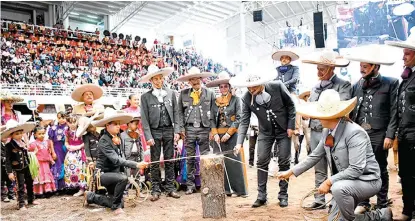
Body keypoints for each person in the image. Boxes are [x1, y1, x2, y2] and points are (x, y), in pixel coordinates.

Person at [277, 89, 393, 221]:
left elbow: (356, 169)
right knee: (334, 219)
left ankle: (374, 217)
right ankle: (382, 216)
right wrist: (291, 172)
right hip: (346, 182)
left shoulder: (355, 133)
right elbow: (314, 156)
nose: (317, 117)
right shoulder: (327, 131)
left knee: (338, 189)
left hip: (367, 181)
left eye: (320, 114)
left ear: (329, 116)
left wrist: (329, 181)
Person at [345, 44, 399, 213]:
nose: (362, 69)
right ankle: (364, 202)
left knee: (380, 167)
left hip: (380, 134)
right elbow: (351, 112)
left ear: (376, 66)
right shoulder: (356, 85)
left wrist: (390, 135)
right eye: (360, 66)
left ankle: (382, 203)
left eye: (365, 66)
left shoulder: (391, 83)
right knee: (360, 167)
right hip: (360, 133)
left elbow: (394, 111)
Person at [230, 70, 296, 208]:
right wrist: (239, 143)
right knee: (261, 161)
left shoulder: (277, 86)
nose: (251, 89)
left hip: (284, 130)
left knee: (284, 161)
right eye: (249, 87)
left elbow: (291, 106)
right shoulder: (246, 98)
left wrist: (291, 126)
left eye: (254, 86)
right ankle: (261, 196)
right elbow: (244, 121)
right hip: (265, 132)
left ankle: (283, 195)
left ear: (262, 83)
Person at [301, 50, 352, 209]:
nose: (319, 72)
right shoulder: (315, 86)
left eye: (322, 69)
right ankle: (319, 200)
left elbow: (342, 108)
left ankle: (338, 199)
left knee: (337, 166)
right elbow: (310, 105)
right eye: (318, 68)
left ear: (332, 69)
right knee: (319, 166)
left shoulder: (343, 85)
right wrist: (305, 114)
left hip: (334, 132)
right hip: (316, 130)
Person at [84, 108, 147, 215]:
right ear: (107, 125)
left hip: (114, 174)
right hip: (102, 174)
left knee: (120, 201)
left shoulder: (118, 137)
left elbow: (120, 158)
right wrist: (136, 164)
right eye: (115, 124)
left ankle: (91, 197)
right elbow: (116, 159)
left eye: (119, 124)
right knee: (123, 179)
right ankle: (115, 207)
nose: (118, 126)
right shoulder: (103, 140)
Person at [140, 65, 181, 200]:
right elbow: (144, 118)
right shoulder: (145, 97)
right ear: (151, 80)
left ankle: (170, 188)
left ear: (163, 79)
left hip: (169, 129)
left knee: (170, 159)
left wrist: (177, 131)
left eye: (160, 78)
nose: (158, 81)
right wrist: (148, 136)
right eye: (155, 79)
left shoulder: (171, 93)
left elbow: (176, 112)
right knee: (155, 161)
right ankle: (155, 189)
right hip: (154, 131)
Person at [386, 33, 415, 221]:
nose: (403, 57)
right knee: (405, 174)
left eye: (407, 54)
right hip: (405, 135)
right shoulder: (406, 78)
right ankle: (407, 210)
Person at [206, 71, 248, 197]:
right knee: (220, 163)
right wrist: (215, 134)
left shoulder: (236, 100)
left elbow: (239, 118)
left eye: (225, 86)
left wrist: (229, 134)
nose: (223, 88)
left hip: (231, 135)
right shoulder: (215, 101)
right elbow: (212, 119)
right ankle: (226, 189)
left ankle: (239, 190)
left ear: (229, 87)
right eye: (221, 86)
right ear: (219, 88)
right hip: (218, 138)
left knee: (234, 162)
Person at [177, 67, 215, 195]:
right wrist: (181, 129)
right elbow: (179, 113)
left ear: (201, 79)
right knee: (190, 158)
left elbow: (214, 114)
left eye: (197, 78)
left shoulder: (210, 93)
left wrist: (212, 130)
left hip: (204, 128)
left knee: (205, 157)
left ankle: (206, 184)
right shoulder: (183, 94)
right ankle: (190, 185)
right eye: (192, 79)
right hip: (189, 129)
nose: (195, 81)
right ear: (189, 81)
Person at [3, 120, 38, 210]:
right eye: (17, 134)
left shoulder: (22, 142)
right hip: (17, 169)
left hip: (26, 166)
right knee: (20, 186)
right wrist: (10, 172)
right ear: (12, 135)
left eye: (21, 133)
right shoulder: (9, 145)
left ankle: (31, 199)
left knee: (30, 182)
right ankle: (21, 203)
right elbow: (7, 160)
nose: (20, 135)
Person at [28, 126, 57, 198]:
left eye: (43, 133)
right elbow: (30, 152)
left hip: (46, 163)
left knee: (47, 175)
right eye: (39, 134)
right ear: (35, 135)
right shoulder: (33, 144)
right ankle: (39, 191)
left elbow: (48, 152)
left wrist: (51, 159)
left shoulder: (47, 142)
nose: (42, 135)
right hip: (38, 163)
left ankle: (47, 190)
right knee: (40, 176)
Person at [64, 115, 87, 197]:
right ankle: (76, 187)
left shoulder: (81, 130)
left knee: (81, 169)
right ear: (67, 123)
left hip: (80, 152)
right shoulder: (67, 131)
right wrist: (68, 146)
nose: (73, 124)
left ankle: (82, 188)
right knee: (72, 170)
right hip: (71, 153)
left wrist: (80, 146)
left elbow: (85, 141)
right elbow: (66, 141)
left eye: (74, 122)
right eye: (70, 122)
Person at [48, 111, 68, 193]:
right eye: (60, 118)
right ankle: (58, 187)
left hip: (67, 149)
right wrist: (53, 152)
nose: (62, 120)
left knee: (67, 166)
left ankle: (68, 186)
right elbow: (51, 141)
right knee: (57, 166)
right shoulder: (53, 128)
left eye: (63, 118)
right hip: (57, 149)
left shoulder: (69, 127)